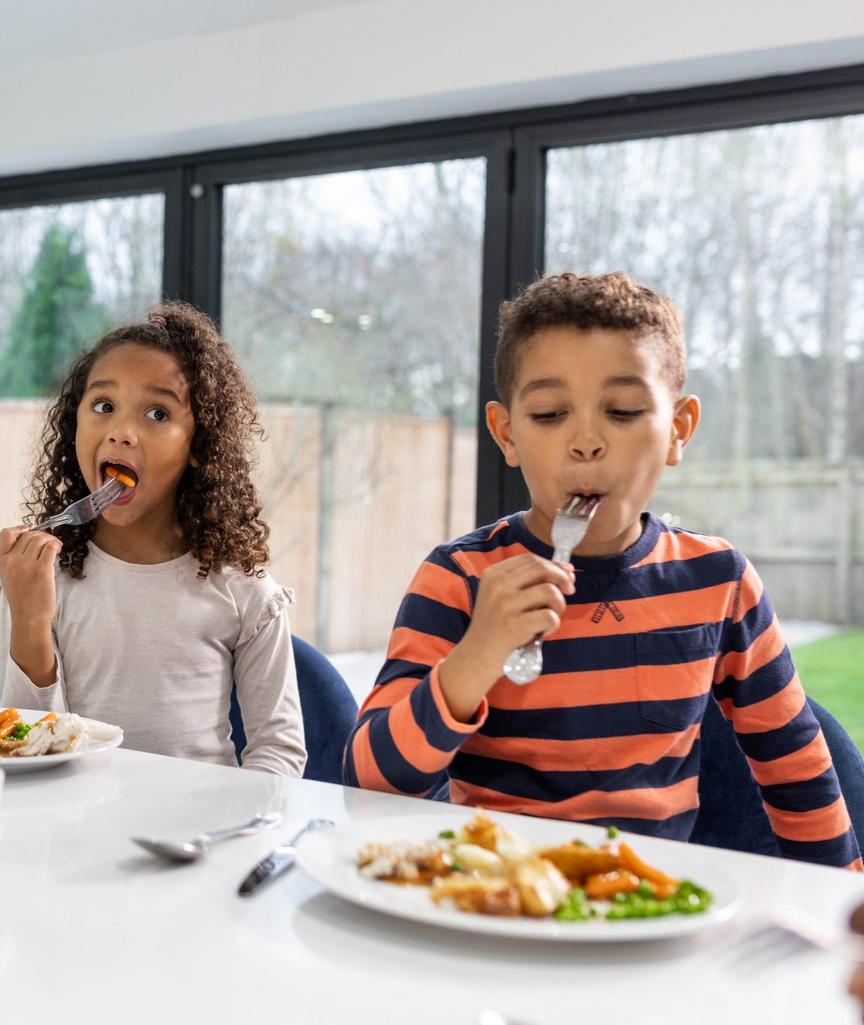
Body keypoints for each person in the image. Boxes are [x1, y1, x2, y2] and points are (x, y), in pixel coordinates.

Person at [346, 271, 860, 869]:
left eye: (622, 411)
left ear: (678, 430)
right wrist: (478, 654)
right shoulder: (459, 578)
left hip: (643, 895)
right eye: (549, 414)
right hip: (494, 894)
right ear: (506, 435)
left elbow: (796, 766)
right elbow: (369, 781)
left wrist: (842, 900)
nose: (586, 441)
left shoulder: (719, 581)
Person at [0, 301, 306, 776]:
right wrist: (31, 617)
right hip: (72, 817)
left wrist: (232, 821)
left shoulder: (244, 592)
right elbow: (24, 746)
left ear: (200, 445)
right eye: (103, 406)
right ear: (75, 425)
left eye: (158, 413)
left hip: (201, 820)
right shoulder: (35, 578)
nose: (122, 432)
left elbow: (279, 752)